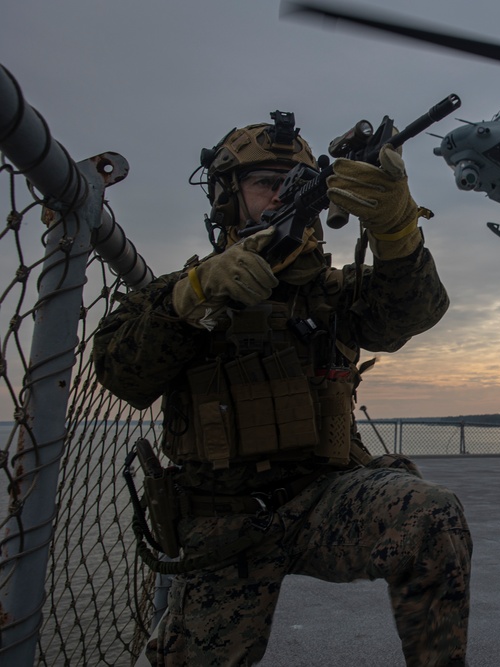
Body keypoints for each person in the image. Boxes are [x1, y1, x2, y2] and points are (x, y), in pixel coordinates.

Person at [93, 111, 471, 666]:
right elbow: (121, 373)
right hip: (223, 521)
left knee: (432, 515)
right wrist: (191, 300)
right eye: (263, 183)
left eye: (289, 186)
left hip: (323, 501)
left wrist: (397, 231)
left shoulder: (329, 292)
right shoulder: (184, 290)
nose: (276, 197)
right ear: (228, 196)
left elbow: (411, 313)